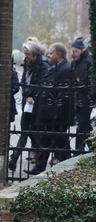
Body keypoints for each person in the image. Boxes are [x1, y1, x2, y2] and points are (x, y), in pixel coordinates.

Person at [28, 42, 75, 174]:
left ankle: (67, 168)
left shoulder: (66, 69)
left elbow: (65, 95)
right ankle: (40, 167)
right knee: (46, 140)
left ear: (58, 54)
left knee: (60, 142)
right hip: (48, 113)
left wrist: (56, 113)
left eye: (51, 53)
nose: (48, 55)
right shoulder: (53, 67)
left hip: (57, 115)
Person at [8, 41, 48, 172]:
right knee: (24, 132)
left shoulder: (43, 66)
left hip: (38, 105)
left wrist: (33, 97)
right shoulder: (28, 64)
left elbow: (43, 85)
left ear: (34, 54)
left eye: (27, 54)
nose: (25, 57)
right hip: (28, 104)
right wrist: (26, 95)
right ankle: (14, 159)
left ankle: (39, 165)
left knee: (37, 135)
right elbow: (24, 82)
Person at [70, 36, 93, 154]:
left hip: (86, 98)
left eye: (75, 51)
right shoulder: (74, 63)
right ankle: (93, 147)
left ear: (82, 50)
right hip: (77, 97)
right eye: (72, 51)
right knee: (85, 126)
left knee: (83, 126)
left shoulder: (88, 62)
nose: (73, 54)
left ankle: (78, 150)